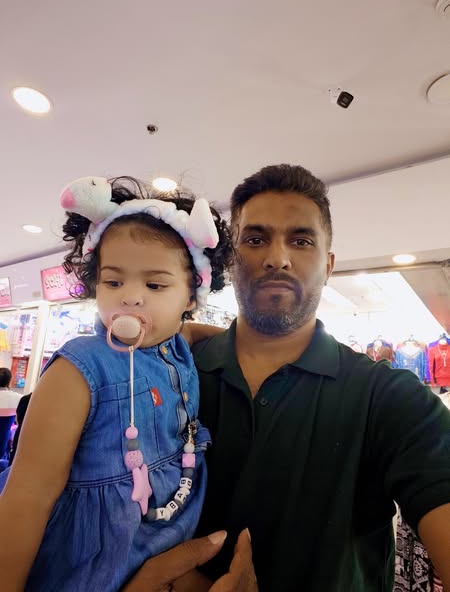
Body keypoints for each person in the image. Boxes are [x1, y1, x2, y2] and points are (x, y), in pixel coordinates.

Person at [129, 164, 449, 591]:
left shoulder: (388, 398)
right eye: (255, 239)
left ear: (328, 265)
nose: (277, 258)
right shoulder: (166, 376)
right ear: (230, 259)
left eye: (301, 241)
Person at [0, 175, 235, 591]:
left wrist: (249, 342)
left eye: (155, 284)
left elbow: (192, 333)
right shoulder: (79, 369)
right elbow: (28, 495)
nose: (130, 296)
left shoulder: (175, 345)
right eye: (113, 281)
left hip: (154, 550)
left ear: (191, 296)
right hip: (83, 568)